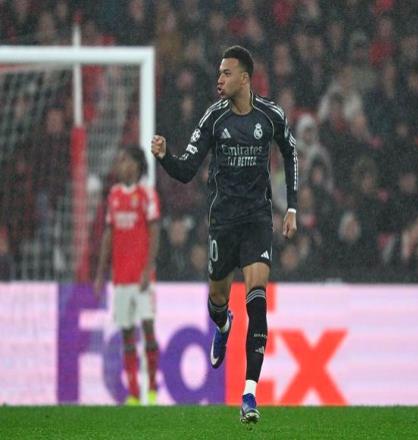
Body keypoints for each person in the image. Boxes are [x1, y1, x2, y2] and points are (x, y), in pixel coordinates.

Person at [151, 45, 298, 423]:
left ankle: (249, 394)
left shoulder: (271, 115)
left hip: (257, 220)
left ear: (245, 78)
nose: (219, 79)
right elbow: (186, 170)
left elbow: (291, 152)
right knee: (218, 299)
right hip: (223, 223)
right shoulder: (214, 118)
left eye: (226, 73)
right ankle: (223, 324)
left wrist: (292, 207)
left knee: (257, 297)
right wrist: (165, 156)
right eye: (219, 73)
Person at [94, 146, 161, 406]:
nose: (119, 164)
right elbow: (108, 235)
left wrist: (148, 269)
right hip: (120, 278)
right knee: (126, 333)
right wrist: (100, 274)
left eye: (124, 160)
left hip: (142, 278)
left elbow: (154, 233)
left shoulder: (147, 195)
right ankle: (133, 393)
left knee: (148, 328)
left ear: (135, 164)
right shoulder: (113, 195)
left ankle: (152, 388)